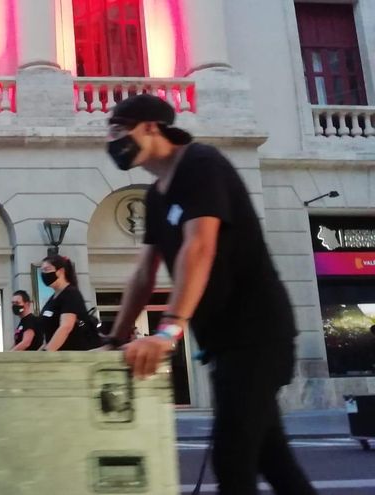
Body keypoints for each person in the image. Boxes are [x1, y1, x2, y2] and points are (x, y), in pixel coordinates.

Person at [102, 94, 316, 495]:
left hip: (257, 335)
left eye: (118, 129)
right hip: (224, 344)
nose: (112, 140)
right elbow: (143, 273)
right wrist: (115, 338)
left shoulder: (201, 164)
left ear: (150, 127)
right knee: (273, 459)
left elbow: (200, 247)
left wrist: (168, 330)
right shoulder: (155, 195)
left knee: (232, 460)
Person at [39, 255, 99, 351]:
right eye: (42, 271)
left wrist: (47, 354)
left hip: (72, 355)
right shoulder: (53, 298)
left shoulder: (71, 294)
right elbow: (50, 334)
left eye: (47, 269)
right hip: (57, 354)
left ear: (61, 271)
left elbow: (66, 327)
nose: (43, 274)